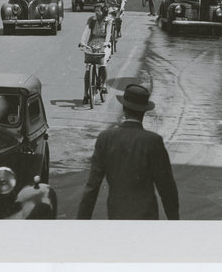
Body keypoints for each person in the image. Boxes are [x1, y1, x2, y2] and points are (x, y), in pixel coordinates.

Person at [76, 82, 179, 219]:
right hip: (146, 217)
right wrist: (174, 219)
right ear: (144, 111)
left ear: (124, 108)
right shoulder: (153, 141)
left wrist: (82, 221)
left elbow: (92, 187)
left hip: (116, 215)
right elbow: (167, 188)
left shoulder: (105, 139)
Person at [79, 4, 112, 105]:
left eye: (99, 11)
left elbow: (108, 33)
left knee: (102, 64)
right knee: (88, 68)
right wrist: (82, 41)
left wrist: (106, 42)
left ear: (104, 11)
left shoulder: (108, 20)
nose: (96, 13)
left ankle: (104, 84)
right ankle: (85, 94)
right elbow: (86, 30)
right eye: (95, 11)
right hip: (92, 42)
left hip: (104, 43)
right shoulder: (91, 20)